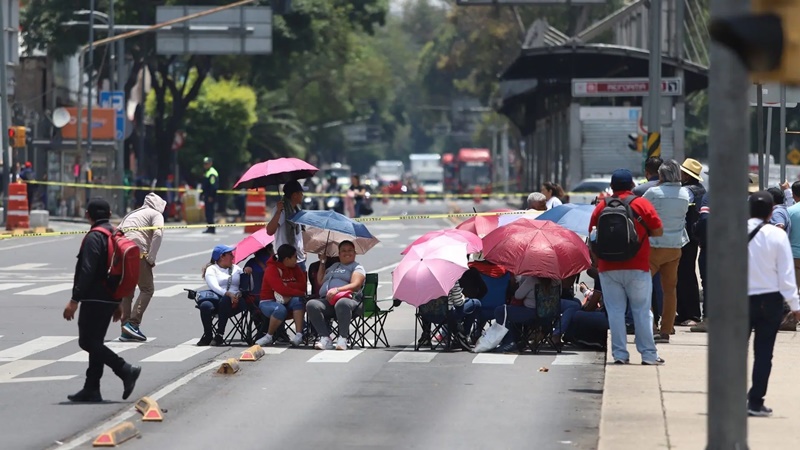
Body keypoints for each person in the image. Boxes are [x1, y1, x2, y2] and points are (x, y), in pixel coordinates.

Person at [62, 198, 141, 403]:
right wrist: (117, 302)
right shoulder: (114, 234)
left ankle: (124, 369)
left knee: (87, 341)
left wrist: (74, 300)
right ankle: (92, 388)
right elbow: (117, 270)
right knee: (96, 342)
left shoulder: (94, 237)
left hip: (95, 298)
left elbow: (87, 271)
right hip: (110, 296)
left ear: (88, 215)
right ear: (109, 213)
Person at [589, 168, 665, 365]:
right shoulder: (641, 203)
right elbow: (658, 230)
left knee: (615, 312)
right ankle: (648, 355)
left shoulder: (601, 207)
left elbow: (592, 237)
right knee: (642, 311)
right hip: (637, 266)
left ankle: (620, 355)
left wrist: (597, 262)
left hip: (608, 268)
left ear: (612, 186)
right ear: (632, 185)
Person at [745, 191, 800, 416]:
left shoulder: (734, 231)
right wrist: (795, 305)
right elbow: (786, 275)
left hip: (739, 301)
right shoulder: (777, 236)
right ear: (771, 212)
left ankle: (729, 397)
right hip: (770, 301)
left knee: (735, 352)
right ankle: (755, 402)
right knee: (764, 353)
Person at [643, 160, 690, 343]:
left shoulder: (654, 193)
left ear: (661, 175)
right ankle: (666, 329)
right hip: (675, 247)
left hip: (654, 246)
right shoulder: (685, 194)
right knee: (670, 290)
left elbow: (640, 209)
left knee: (643, 289)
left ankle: (651, 326)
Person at [118, 193, 167, 342]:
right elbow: (158, 234)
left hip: (123, 253)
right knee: (147, 289)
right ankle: (133, 324)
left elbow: (117, 233)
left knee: (127, 292)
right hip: (137, 254)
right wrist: (151, 258)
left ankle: (125, 329)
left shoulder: (132, 214)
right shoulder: (156, 214)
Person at [306, 241, 367, 350]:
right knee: (312, 304)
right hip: (329, 301)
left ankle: (343, 338)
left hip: (351, 302)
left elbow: (356, 285)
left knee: (342, 303)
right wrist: (322, 262)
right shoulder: (334, 266)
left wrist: (337, 290)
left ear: (355, 253)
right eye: (343, 251)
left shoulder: (357, 267)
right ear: (339, 254)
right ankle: (325, 338)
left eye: (350, 250)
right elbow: (320, 281)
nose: (347, 253)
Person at [196, 245, 253, 346]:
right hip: (217, 298)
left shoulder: (237, 269)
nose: (233, 257)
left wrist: (248, 274)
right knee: (205, 305)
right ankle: (208, 335)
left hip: (236, 301)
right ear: (222, 256)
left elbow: (249, 287)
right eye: (230, 254)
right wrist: (227, 293)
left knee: (226, 300)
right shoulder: (212, 269)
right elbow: (214, 286)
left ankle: (219, 334)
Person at [255, 244, 307, 347]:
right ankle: (269, 336)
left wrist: (288, 285)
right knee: (280, 310)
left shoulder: (295, 268)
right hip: (269, 301)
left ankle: (299, 335)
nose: (297, 260)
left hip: (289, 299)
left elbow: (303, 286)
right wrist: (296, 289)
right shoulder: (271, 269)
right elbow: (281, 289)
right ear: (287, 259)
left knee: (299, 300)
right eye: (295, 257)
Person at [675, 158, 707, 326]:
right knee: (684, 274)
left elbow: (678, 208)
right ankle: (684, 313)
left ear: (687, 176)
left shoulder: (686, 191)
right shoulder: (701, 189)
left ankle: (692, 314)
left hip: (685, 238)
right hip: (693, 237)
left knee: (685, 275)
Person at [266, 180, 307, 271]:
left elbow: (299, 234)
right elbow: (269, 231)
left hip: (300, 259)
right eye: (301, 193)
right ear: (294, 195)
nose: (302, 195)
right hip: (287, 261)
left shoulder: (297, 210)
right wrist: (278, 212)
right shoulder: (282, 210)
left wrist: (303, 251)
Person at [201, 157, 219, 234]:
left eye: (207, 163)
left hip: (210, 197)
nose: (205, 165)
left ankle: (211, 228)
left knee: (210, 212)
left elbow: (213, 186)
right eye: (205, 164)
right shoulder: (207, 172)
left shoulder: (212, 173)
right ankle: (209, 227)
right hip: (207, 196)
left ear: (211, 163)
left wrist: (211, 196)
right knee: (208, 212)